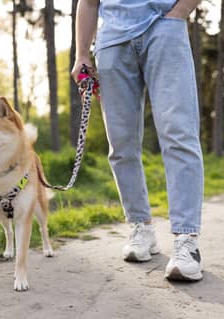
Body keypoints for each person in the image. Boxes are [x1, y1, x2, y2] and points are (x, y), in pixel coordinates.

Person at [71, 0, 204, 281]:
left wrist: (177, 14)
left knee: (178, 134)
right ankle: (141, 226)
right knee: (121, 144)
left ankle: (186, 239)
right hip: (111, 42)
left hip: (164, 28)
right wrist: (81, 53)